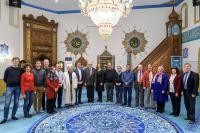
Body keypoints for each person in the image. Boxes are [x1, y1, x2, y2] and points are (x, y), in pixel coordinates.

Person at [0, 57, 21, 124]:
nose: (16, 62)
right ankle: (5, 118)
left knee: (16, 102)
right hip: (9, 87)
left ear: (18, 62)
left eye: (17, 61)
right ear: (12, 61)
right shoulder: (8, 69)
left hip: (17, 88)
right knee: (7, 103)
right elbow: (5, 78)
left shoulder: (20, 69)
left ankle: (13, 115)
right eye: (15, 61)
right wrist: (9, 83)